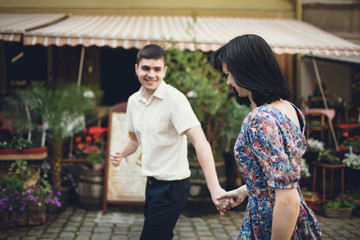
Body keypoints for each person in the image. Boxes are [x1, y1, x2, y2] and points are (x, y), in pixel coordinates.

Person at [209, 34, 323, 239]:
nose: (228, 82)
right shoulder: (289, 108)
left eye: (230, 74)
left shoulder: (260, 119)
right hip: (294, 221)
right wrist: (246, 190)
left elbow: (288, 198)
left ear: (247, 72)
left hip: (275, 222)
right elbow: (281, 176)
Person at [110, 44, 227, 240]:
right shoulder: (133, 101)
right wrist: (121, 153)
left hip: (173, 187)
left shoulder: (175, 100)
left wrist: (214, 188)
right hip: (151, 184)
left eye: (157, 69)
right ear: (136, 68)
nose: (151, 74)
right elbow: (133, 138)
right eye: (146, 68)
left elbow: (200, 142)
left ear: (165, 71)